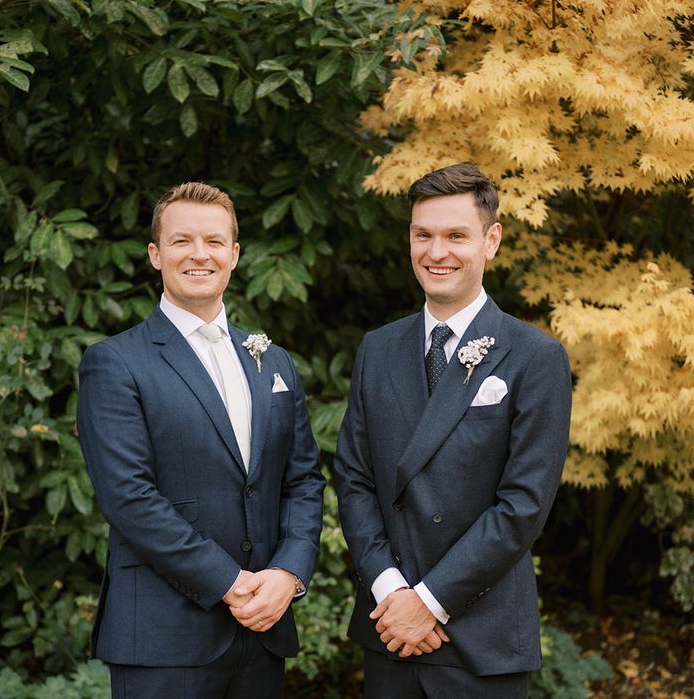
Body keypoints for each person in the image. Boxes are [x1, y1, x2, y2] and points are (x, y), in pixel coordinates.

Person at [332, 162, 572, 698]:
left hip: (479, 636)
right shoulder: (378, 347)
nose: (436, 252)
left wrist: (430, 601)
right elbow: (354, 479)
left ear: (491, 241)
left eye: (455, 236)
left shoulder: (535, 357)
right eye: (423, 235)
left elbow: (523, 506)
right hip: (390, 629)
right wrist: (392, 591)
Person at [77, 182, 325, 699]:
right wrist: (230, 583)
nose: (198, 254)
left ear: (234, 255)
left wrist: (287, 573)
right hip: (164, 638)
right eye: (181, 241)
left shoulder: (272, 361)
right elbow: (129, 497)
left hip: (263, 632)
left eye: (214, 242)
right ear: (155, 254)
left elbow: (302, 480)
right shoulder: (116, 363)